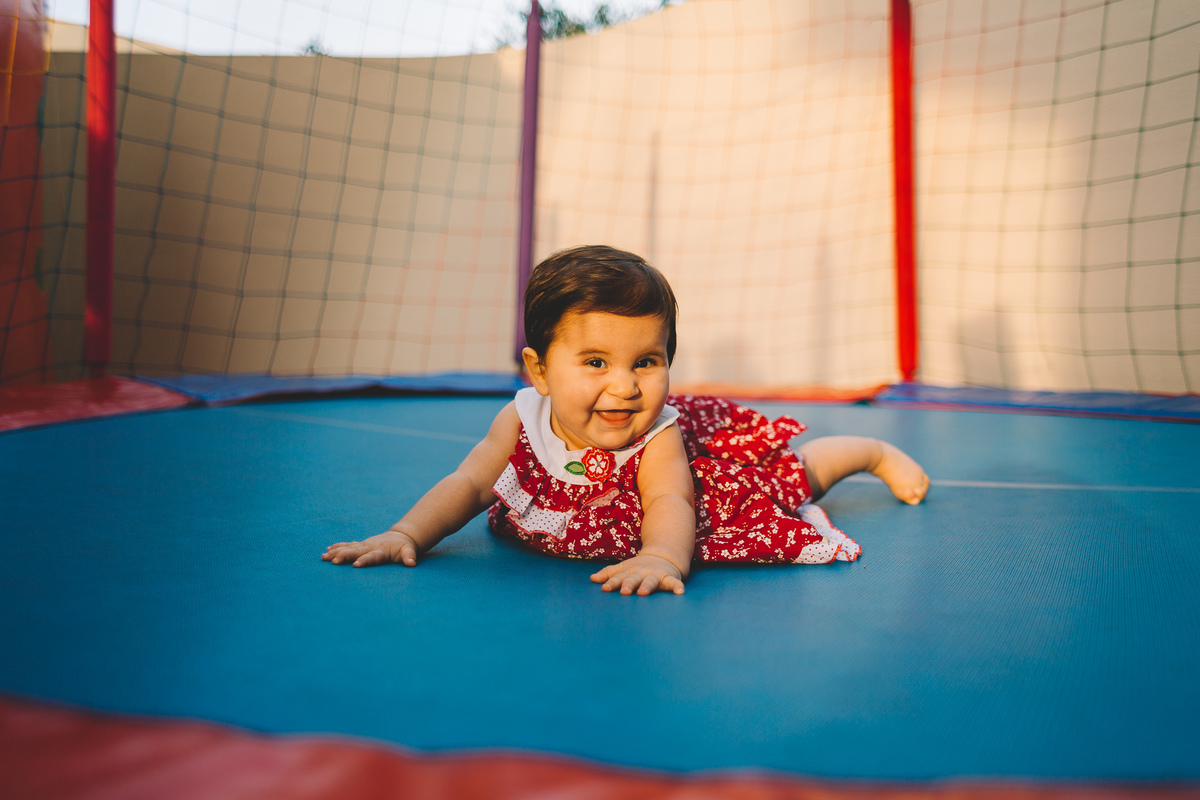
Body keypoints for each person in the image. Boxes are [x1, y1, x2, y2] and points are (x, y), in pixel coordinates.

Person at [324, 245, 929, 596]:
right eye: (594, 362)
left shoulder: (657, 434)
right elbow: (469, 484)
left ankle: (864, 452)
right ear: (539, 371)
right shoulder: (521, 418)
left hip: (702, 493)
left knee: (787, 479)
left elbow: (670, 501)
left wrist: (663, 557)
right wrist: (407, 533)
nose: (624, 386)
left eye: (646, 362)